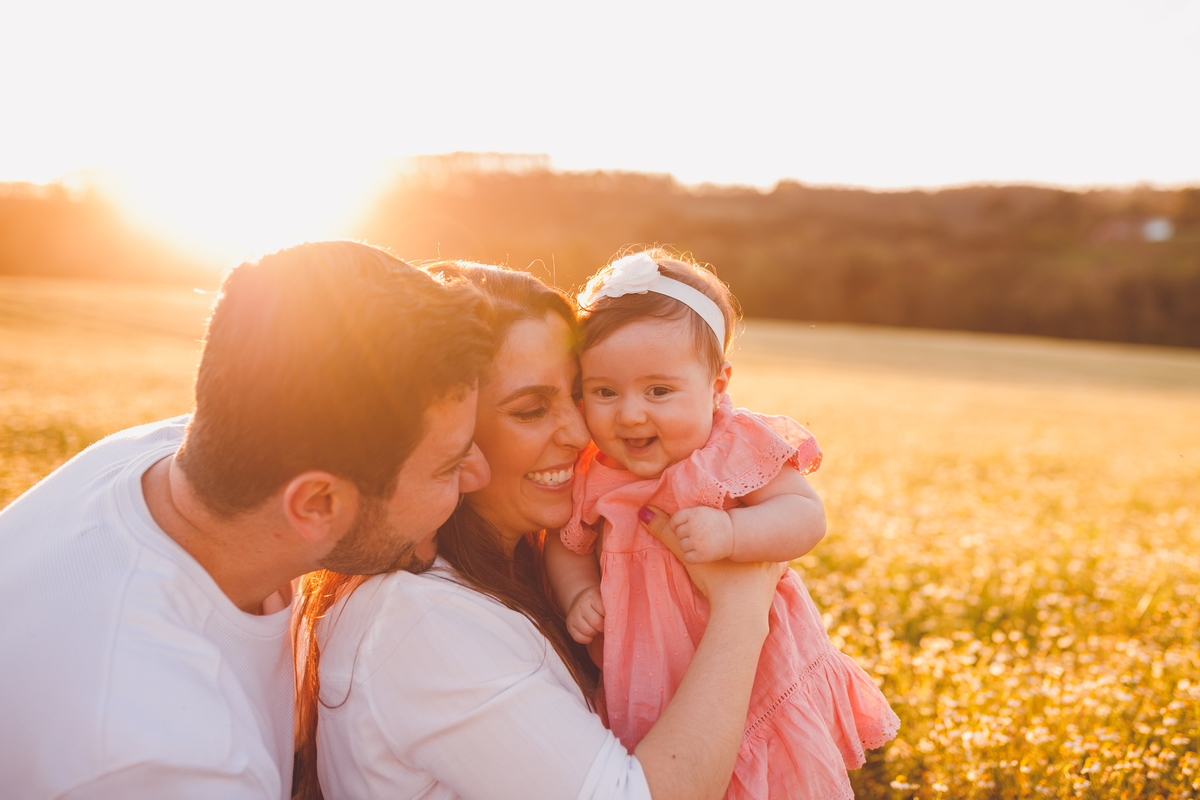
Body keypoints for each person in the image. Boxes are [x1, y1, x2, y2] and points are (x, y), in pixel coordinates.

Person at [0, 241, 493, 798]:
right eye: (448, 466)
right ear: (316, 505)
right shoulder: (168, 759)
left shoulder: (189, 454)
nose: (478, 475)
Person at [294, 262, 786, 800]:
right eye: (531, 410)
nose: (581, 433)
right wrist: (742, 608)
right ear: (451, 431)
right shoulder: (424, 620)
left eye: (579, 393)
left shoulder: (542, 558)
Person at [544, 250, 901, 799]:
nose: (631, 414)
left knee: (767, 770)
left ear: (716, 386)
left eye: (659, 391)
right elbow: (566, 544)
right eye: (605, 392)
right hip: (645, 664)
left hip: (750, 659)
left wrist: (734, 535)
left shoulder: (731, 446)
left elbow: (805, 517)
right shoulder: (595, 472)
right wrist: (579, 592)